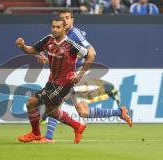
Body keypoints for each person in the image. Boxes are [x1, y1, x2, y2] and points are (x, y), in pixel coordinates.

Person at [36, 10, 132, 143]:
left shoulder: (75, 34)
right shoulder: (59, 37)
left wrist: (79, 73)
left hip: (72, 77)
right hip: (66, 76)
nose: (65, 21)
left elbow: (92, 52)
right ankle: (119, 113)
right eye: (62, 18)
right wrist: (46, 59)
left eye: (67, 18)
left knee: (55, 104)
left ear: (72, 20)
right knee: (83, 112)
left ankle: (48, 137)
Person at [15, 17, 95, 144]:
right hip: (51, 82)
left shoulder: (71, 44)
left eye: (58, 27)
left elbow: (90, 56)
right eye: (53, 27)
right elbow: (31, 50)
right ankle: (78, 126)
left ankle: (35, 134)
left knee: (31, 103)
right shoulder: (48, 40)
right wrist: (22, 46)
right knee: (51, 112)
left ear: (64, 29)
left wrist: (79, 75)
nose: (55, 29)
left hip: (64, 83)